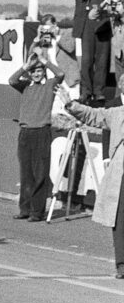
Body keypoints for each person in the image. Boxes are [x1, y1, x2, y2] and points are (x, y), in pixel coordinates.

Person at [57, 79, 124, 279]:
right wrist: (71, 105)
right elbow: (92, 115)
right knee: (120, 220)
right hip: (120, 176)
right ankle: (122, 264)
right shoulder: (116, 113)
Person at [8, 53, 65, 221]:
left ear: (44, 72)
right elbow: (12, 80)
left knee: (40, 173)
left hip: (41, 132)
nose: (36, 74)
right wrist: (26, 66)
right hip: (25, 133)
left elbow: (61, 74)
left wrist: (44, 61)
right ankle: (24, 209)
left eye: (39, 71)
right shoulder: (25, 86)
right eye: (33, 71)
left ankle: (37, 212)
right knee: (26, 174)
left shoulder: (49, 85)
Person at [60, 0, 113, 104]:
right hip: (85, 26)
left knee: (102, 60)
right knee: (86, 61)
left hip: (101, 23)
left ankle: (99, 92)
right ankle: (86, 92)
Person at [91, 0, 124, 92]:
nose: (117, 1)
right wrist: (103, 4)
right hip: (119, 53)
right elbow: (92, 16)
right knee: (120, 85)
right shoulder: (112, 10)